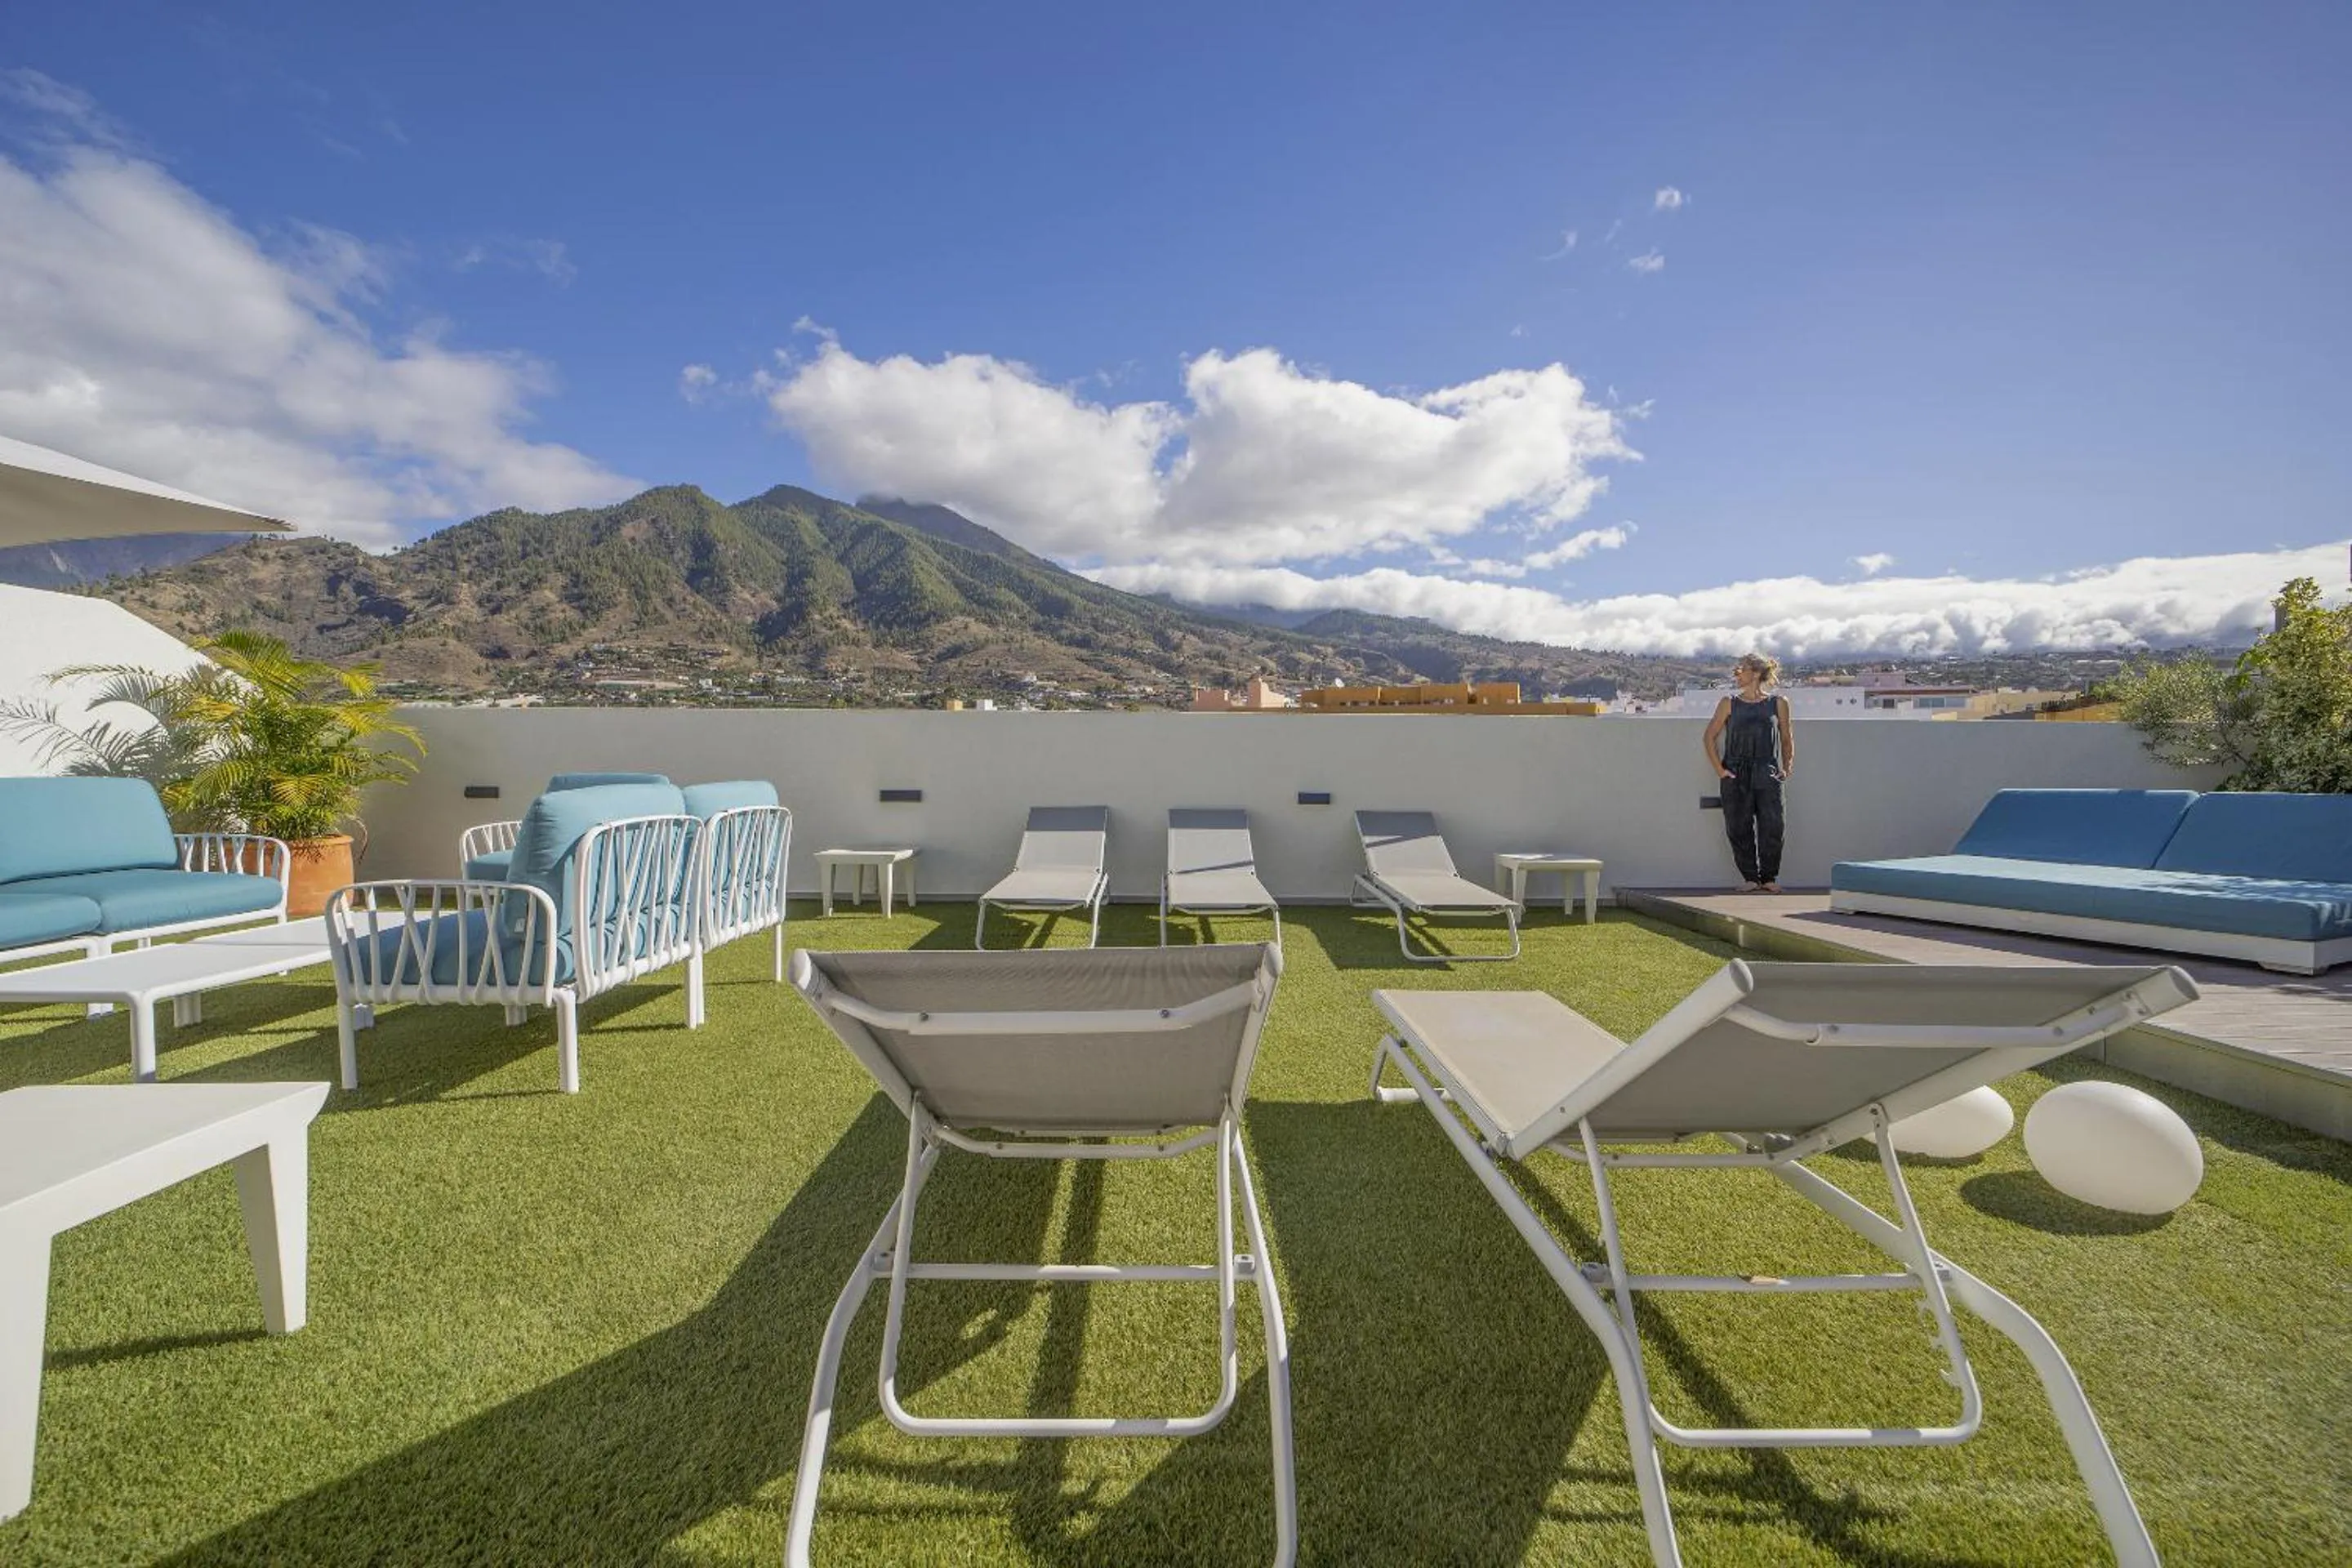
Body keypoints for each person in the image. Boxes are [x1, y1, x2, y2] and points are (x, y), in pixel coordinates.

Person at [1701, 653, 1794, 892]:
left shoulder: (1779, 702)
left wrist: (1787, 767)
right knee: (1738, 826)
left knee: (1774, 826)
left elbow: (1786, 739)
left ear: (1754, 672)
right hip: (1736, 772)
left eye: (1740, 669)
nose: (1736, 674)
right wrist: (1721, 771)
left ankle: (1769, 878)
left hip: (1768, 770)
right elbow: (1709, 737)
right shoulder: (1728, 702)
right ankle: (1750, 879)